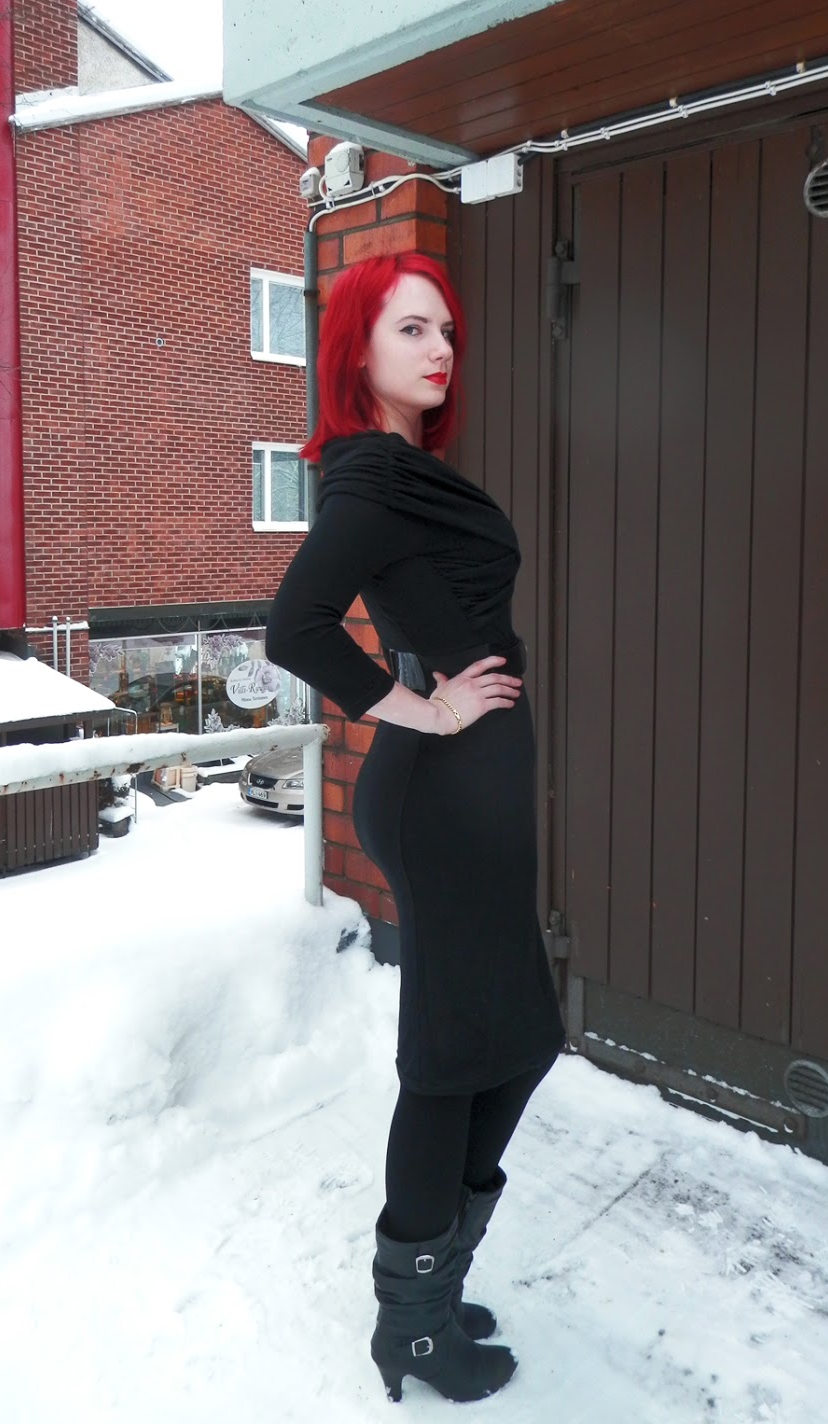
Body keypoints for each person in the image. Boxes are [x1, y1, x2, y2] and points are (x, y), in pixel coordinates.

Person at [265, 251, 565, 1404]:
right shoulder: (373, 479)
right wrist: (425, 705)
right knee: (453, 1059)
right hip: (440, 795)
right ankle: (416, 1327)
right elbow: (295, 626)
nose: (441, 347)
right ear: (358, 347)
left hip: (469, 794)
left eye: (446, 330)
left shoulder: (404, 474)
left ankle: (435, 1283)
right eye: (411, 329)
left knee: (514, 1039)